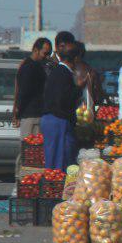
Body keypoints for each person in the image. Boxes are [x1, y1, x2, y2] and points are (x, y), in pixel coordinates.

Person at [42, 40, 81, 172]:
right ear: (76, 59)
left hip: (52, 119)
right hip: (58, 121)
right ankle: (55, 189)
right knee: (58, 161)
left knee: (55, 158)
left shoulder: (58, 71)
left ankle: (54, 187)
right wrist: (79, 88)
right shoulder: (63, 73)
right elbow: (63, 99)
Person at [12, 37, 51, 138]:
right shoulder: (28, 67)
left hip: (38, 115)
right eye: (45, 53)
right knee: (29, 149)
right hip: (31, 115)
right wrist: (17, 113)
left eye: (49, 54)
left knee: (32, 150)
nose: (47, 57)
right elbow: (22, 92)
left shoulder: (41, 67)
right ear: (36, 50)